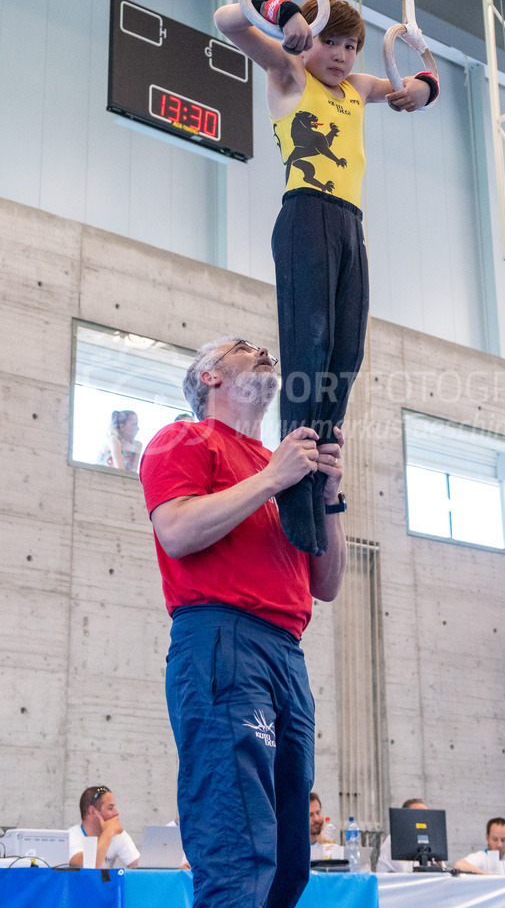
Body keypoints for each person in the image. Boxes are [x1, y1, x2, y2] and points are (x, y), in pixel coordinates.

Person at [213, 0, 438, 558]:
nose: (339, 55)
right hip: (305, 215)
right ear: (308, 38)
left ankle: (318, 476)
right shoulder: (288, 72)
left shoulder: (358, 89)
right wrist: (285, 16)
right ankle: (292, 483)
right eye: (329, 41)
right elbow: (227, 19)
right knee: (309, 348)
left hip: (349, 227)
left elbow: (418, 82)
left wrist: (421, 90)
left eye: (350, 46)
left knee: (346, 354)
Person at [139, 336, 347, 908]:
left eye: (264, 348)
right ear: (208, 377)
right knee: (236, 846)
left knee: (286, 859)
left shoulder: (283, 468)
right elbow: (177, 532)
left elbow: (326, 585)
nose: (264, 351)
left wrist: (327, 496)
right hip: (222, 637)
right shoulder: (183, 439)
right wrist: (272, 480)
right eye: (241, 347)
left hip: (286, 653)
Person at [67, 785, 139, 868]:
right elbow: (90, 867)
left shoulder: (116, 835)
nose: (116, 813)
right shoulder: (70, 837)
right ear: (92, 811)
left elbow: (141, 869)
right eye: (110, 808)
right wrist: (108, 832)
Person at [376, 798, 429, 873]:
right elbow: (407, 871)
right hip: (395, 883)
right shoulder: (394, 840)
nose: (423, 818)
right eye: (418, 814)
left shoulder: (428, 839)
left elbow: (442, 869)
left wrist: (438, 866)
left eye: (426, 815)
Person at [309, 792, 342, 860]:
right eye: (310, 815)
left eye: (318, 813)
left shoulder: (332, 848)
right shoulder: (296, 850)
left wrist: (324, 838)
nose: (316, 819)